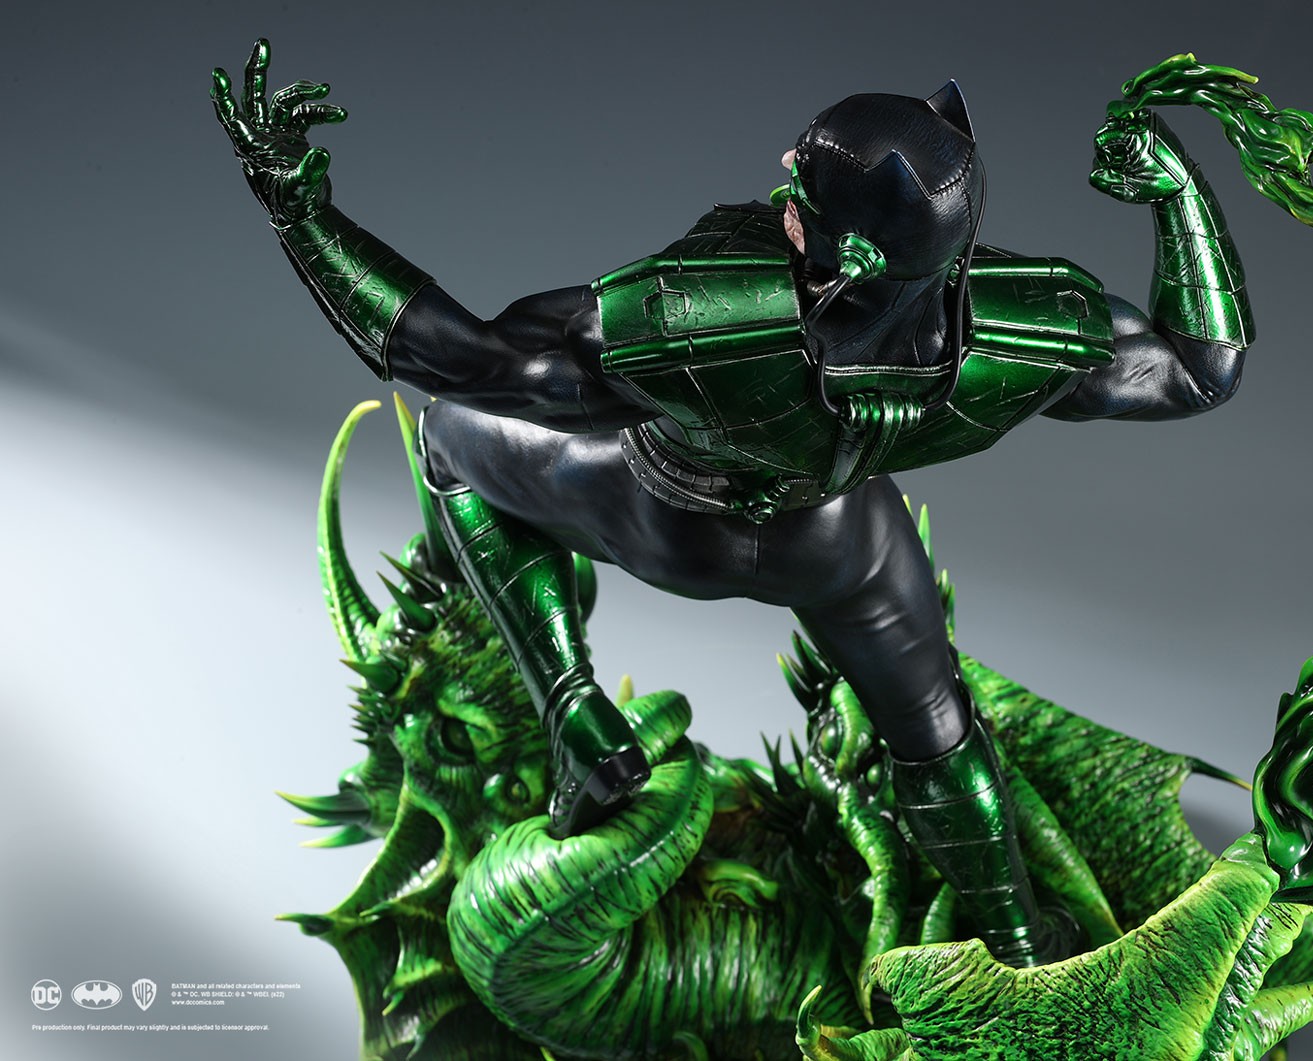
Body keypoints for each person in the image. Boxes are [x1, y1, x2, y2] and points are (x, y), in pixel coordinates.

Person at [213, 39, 1252, 968]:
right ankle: (1021, 942)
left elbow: (465, 360)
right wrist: (1178, 193)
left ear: (851, 257)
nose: (784, 174)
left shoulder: (705, 321)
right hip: (835, 540)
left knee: (448, 438)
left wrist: (300, 214)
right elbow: (1201, 367)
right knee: (935, 724)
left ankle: (570, 703)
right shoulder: (1018, 338)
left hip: (661, 512)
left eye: (804, 188)